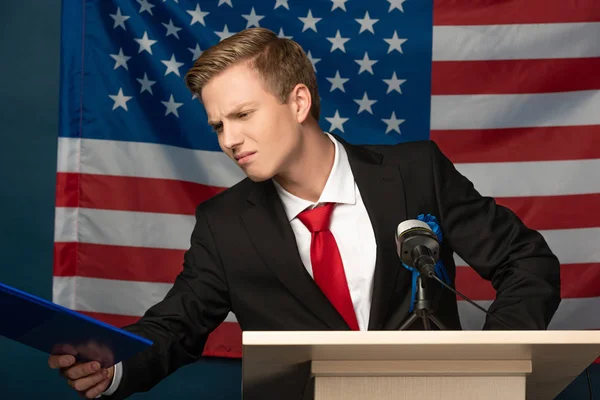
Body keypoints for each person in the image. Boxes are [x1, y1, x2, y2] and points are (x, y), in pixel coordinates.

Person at [48, 27, 561, 399]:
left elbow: (528, 262)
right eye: (218, 126)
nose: (230, 140)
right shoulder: (223, 225)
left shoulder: (414, 171)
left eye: (243, 115)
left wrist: (488, 363)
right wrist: (113, 365)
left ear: (298, 102)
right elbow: (175, 326)